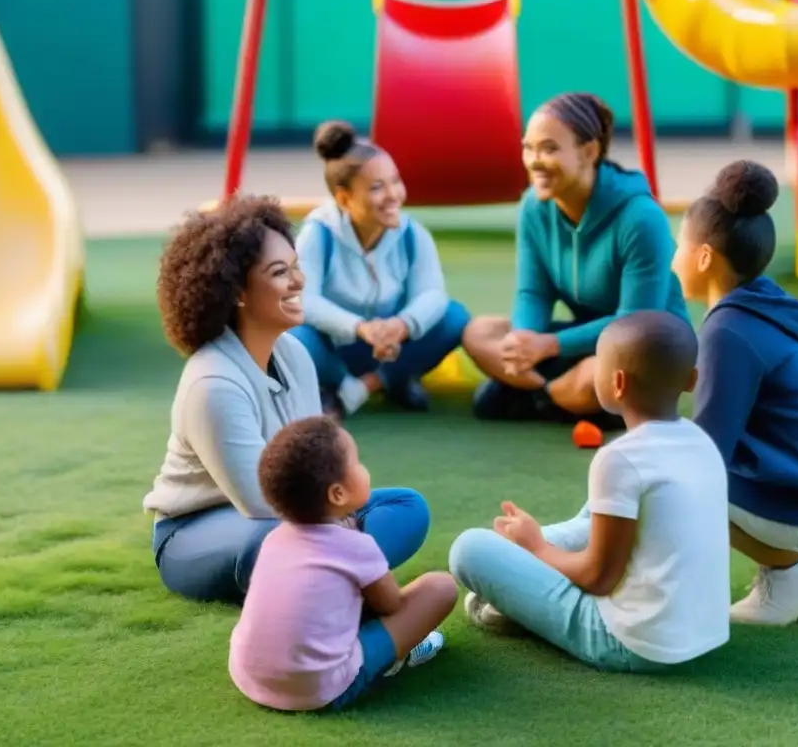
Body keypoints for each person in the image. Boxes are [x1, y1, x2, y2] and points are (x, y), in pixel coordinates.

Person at [143, 195, 431, 604]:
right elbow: (261, 502)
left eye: (296, 267)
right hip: (197, 532)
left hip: (299, 519)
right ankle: (369, 620)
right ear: (238, 292)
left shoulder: (295, 354)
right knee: (278, 540)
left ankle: (329, 589)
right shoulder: (212, 382)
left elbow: (318, 464)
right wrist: (340, 525)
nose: (299, 281)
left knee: (406, 506)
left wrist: (339, 517)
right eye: (281, 272)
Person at [449, 311, 730, 673]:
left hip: (632, 642)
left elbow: (598, 579)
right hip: (700, 634)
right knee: (595, 512)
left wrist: (537, 546)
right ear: (691, 380)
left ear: (616, 384)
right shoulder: (699, 440)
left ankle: (517, 570)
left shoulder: (618, 459)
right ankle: (517, 562)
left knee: (468, 548)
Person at [672, 159, 798, 626]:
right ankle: (794, 564)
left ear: (703, 258)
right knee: (668, 464)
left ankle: (792, 569)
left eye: (679, 246)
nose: (673, 258)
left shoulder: (728, 331)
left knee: (664, 478)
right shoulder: (754, 306)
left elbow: (706, 453)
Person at [461, 92, 691, 428]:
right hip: (581, 342)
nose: (534, 160)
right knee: (479, 333)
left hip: (645, 348)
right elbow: (533, 293)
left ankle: (536, 398)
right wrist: (524, 343)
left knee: (604, 373)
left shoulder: (641, 218)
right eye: (528, 147)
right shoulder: (534, 207)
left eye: (550, 149)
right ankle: (558, 396)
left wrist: (550, 344)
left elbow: (634, 321)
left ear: (589, 152)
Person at [229, 416, 458, 713]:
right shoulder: (357, 547)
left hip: (248, 676)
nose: (364, 467)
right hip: (319, 690)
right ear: (338, 494)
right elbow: (390, 605)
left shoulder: (274, 539)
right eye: (357, 462)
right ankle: (396, 657)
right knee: (440, 587)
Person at [290, 121, 470, 417]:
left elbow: (433, 295)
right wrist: (361, 328)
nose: (393, 195)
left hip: (393, 346)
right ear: (344, 198)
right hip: (337, 347)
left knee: (453, 317)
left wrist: (400, 326)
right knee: (293, 335)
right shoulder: (318, 234)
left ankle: (370, 385)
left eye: (395, 181)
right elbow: (304, 301)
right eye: (377, 187)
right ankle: (337, 382)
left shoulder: (413, 234)